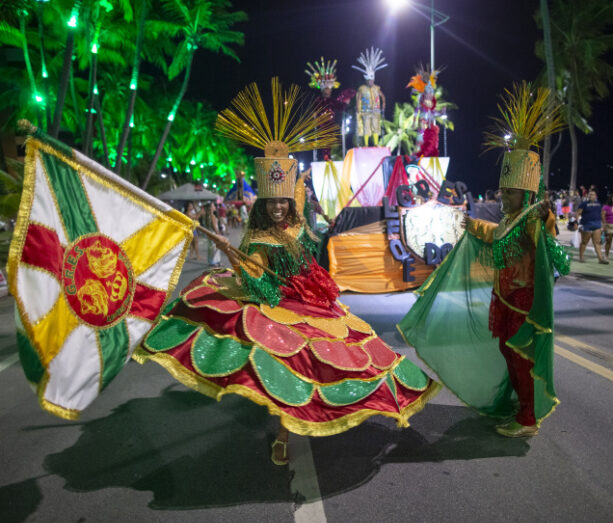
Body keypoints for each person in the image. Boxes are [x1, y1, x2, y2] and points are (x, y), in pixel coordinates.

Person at [135, 78, 439, 466]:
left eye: (283, 201)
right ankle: (283, 435)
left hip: (314, 304)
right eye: (272, 203)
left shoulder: (304, 227)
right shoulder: (259, 239)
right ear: (264, 204)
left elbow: (315, 261)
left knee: (355, 353)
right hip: (278, 307)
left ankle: (363, 404)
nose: (279, 208)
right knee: (287, 364)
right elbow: (258, 281)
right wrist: (240, 264)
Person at [399, 81, 568, 438]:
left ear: (525, 193)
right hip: (503, 297)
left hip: (524, 302)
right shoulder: (510, 219)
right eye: (503, 191)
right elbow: (497, 236)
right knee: (509, 356)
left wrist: (546, 221)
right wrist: (468, 223)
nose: (503, 197)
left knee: (521, 358)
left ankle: (526, 420)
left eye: (510, 192)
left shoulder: (535, 219)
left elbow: (558, 260)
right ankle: (518, 406)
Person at [352, 47, 387, 147]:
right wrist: (358, 106)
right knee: (367, 127)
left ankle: (376, 143)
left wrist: (384, 102)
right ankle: (366, 144)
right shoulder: (362, 88)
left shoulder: (376, 87)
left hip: (376, 110)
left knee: (376, 126)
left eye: (372, 80)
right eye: (369, 80)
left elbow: (382, 96)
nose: (371, 82)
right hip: (366, 111)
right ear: (366, 80)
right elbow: (358, 97)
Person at [575, 190, 609, 264]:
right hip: (586, 225)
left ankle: (600, 259)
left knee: (597, 243)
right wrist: (576, 222)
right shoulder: (584, 204)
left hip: (597, 225)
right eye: (590, 195)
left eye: (593, 194)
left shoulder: (599, 204)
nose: (591, 196)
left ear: (595, 196)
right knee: (584, 242)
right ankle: (581, 257)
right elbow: (578, 213)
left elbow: (602, 214)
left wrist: (604, 224)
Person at [601, 193, 613, 260]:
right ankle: (606, 255)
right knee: (609, 241)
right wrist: (604, 224)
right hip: (608, 226)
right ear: (611, 199)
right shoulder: (606, 207)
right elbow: (603, 216)